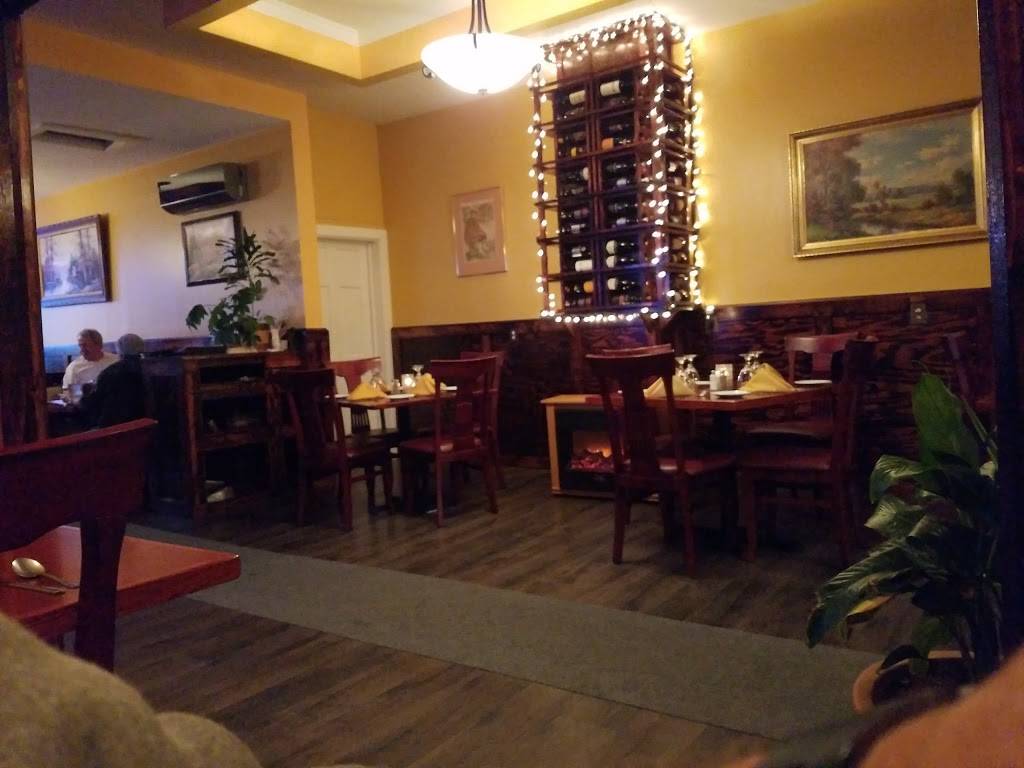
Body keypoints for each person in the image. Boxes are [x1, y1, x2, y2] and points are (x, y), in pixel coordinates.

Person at [80, 333, 148, 428]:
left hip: (115, 429)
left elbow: (91, 404)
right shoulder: (155, 368)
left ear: (119, 350)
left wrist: (86, 393)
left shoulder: (110, 373)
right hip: (149, 426)